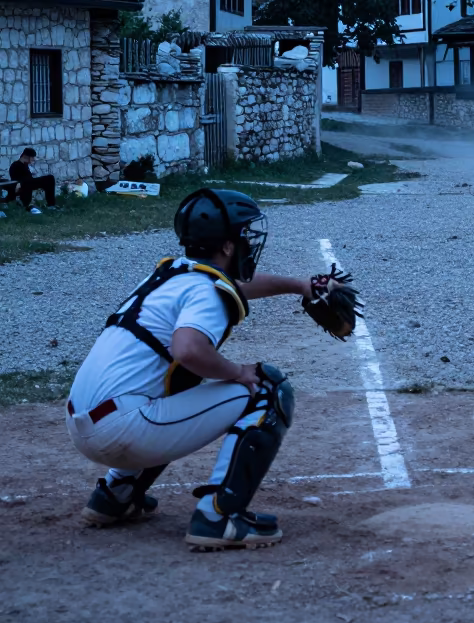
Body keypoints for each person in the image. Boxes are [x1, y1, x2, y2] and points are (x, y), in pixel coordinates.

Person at [66, 188, 314, 551]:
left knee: (175, 382)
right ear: (228, 246)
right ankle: (219, 518)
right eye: (245, 235)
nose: (250, 243)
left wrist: (300, 286)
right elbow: (189, 349)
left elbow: (234, 287)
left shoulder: (172, 275)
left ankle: (116, 495)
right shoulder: (204, 290)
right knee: (267, 388)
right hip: (125, 430)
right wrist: (237, 372)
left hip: (84, 423)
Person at [8, 148, 57, 213]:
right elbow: (17, 179)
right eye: (32, 158)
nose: (33, 160)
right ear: (26, 157)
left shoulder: (25, 165)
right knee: (49, 179)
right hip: (22, 185)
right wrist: (21, 183)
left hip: (28, 183)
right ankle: (28, 205)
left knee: (49, 179)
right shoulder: (15, 165)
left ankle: (51, 205)